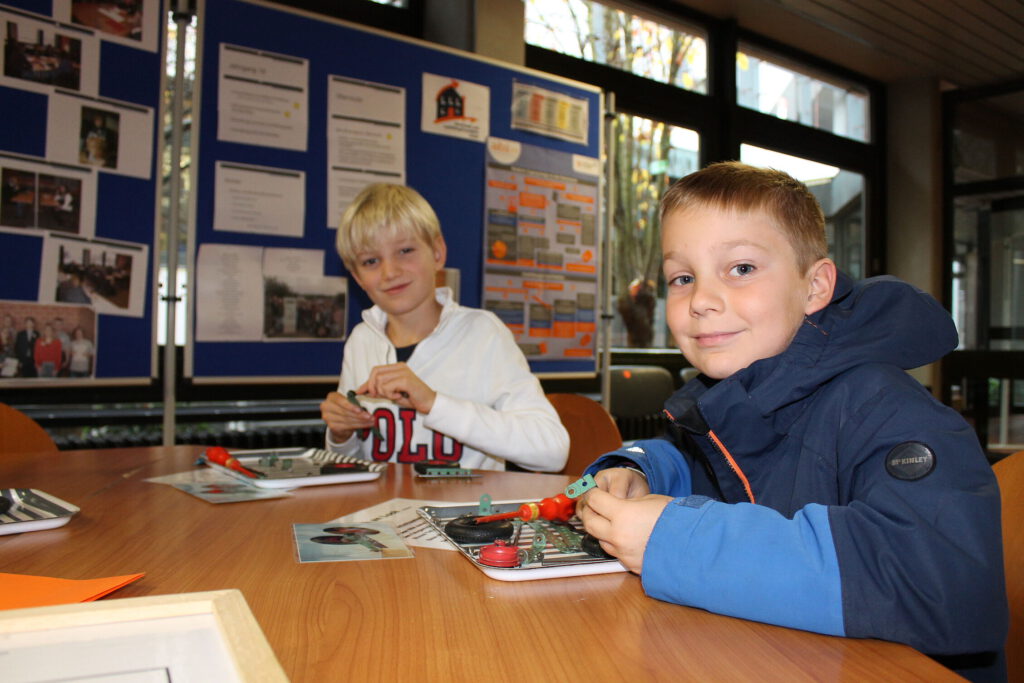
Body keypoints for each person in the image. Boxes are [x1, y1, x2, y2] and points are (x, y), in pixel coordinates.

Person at [576, 162, 1007, 682]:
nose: (702, 301)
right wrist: (638, 469)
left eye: (741, 268)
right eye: (683, 278)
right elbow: (693, 460)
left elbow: (942, 589)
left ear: (815, 286)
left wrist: (678, 541)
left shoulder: (885, 407)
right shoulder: (723, 400)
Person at [319, 183, 568, 472]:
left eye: (405, 250)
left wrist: (434, 404)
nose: (390, 272)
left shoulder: (483, 333)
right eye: (371, 261)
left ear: (437, 253)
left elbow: (552, 450)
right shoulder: (362, 341)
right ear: (357, 277)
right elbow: (355, 464)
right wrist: (342, 435)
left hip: (470, 502)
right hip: (383, 502)